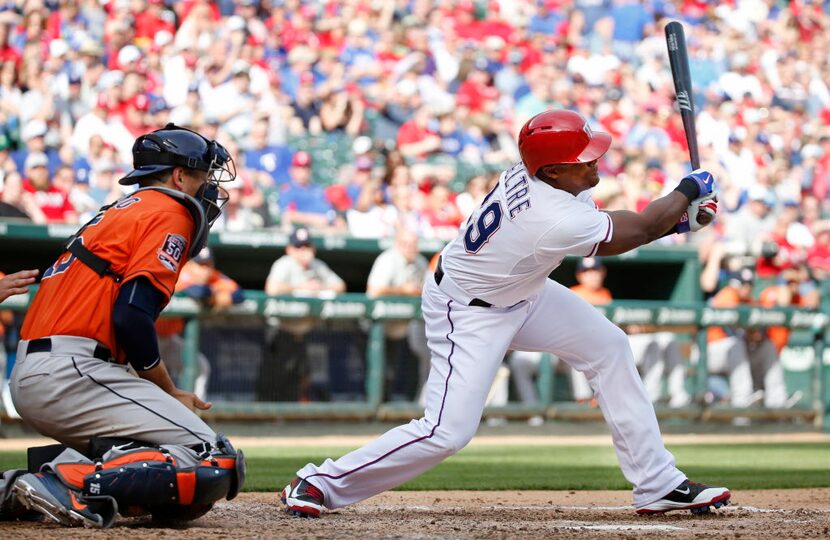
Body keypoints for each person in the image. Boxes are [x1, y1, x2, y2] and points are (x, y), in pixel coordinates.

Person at [281, 109, 728, 518]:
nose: (596, 163)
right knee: (446, 432)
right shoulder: (547, 213)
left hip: (523, 293)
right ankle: (319, 481)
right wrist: (689, 190)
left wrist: (681, 219)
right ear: (553, 169)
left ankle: (658, 483)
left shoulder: (539, 176)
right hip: (469, 311)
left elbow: (633, 222)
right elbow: (641, 227)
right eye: (584, 158)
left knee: (609, 346)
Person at [0, 124, 245, 528]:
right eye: (203, 175)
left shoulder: (122, 210)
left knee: (176, 492)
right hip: (71, 370)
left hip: (53, 368)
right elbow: (132, 315)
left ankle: (16, 487)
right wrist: (167, 388)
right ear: (180, 176)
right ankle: (60, 482)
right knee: (210, 458)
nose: (208, 188)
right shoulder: (170, 209)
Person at [258, 226, 346, 402]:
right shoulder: (284, 264)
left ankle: (289, 415)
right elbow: (272, 288)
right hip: (280, 331)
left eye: (306, 246)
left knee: (301, 376)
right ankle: (268, 416)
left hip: (302, 332)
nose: (303, 251)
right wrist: (301, 288)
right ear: (289, 249)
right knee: (276, 378)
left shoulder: (317, 266)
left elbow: (340, 286)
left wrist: (320, 287)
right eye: (298, 247)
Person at [157, 247, 244, 401]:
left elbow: (238, 294)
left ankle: (194, 415)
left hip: (169, 339)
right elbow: (199, 292)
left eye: (208, 265)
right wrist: (217, 296)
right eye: (200, 265)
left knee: (200, 367)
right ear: (190, 265)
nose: (204, 270)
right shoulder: (181, 272)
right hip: (145, 336)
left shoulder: (211, 278)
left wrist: (218, 296)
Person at [366, 228, 430, 402]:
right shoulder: (387, 260)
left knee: (404, 370)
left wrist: (414, 291)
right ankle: (375, 411)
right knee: (381, 372)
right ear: (397, 244)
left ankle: (411, 406)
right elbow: (374, 291)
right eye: (405, 244)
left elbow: (427, 291)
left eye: (413, 244)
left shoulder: (420, 262)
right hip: (377, 328)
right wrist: (403, 290)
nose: (410, 248)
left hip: (405, 328)